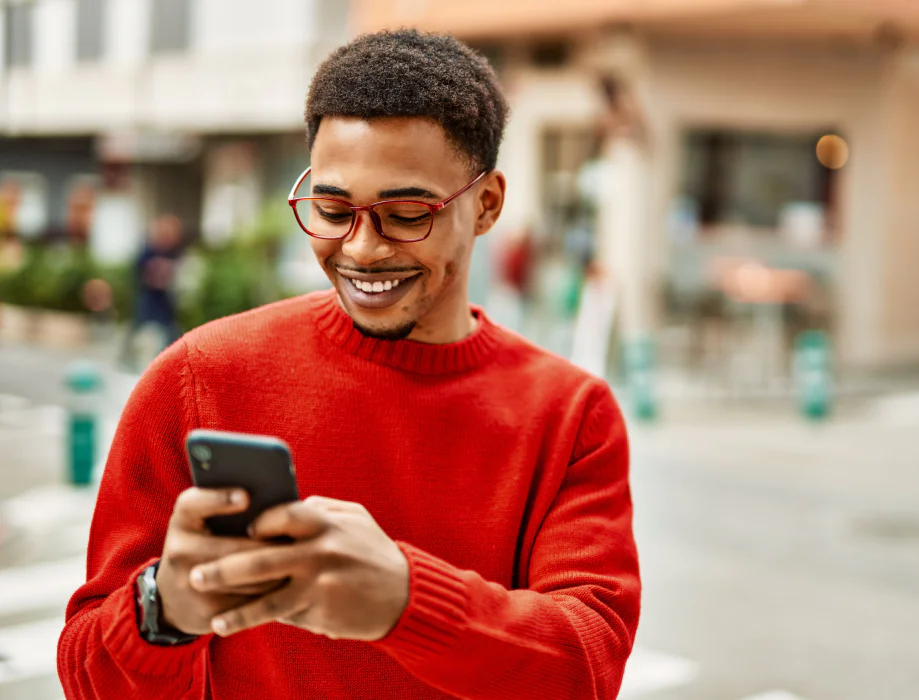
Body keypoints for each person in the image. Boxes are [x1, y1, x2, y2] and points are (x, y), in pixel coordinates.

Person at [59, 29, 640, 700]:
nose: (361, 249)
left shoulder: (570, 414)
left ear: (486, 205)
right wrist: (164, 611)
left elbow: (588, 667)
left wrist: (407, 602)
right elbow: (87, 673)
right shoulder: (199, 375)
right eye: (333, 209)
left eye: (404, 213)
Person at [120, 213, 184, 368]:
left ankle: (173, 362)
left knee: (170, 331)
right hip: (148, 300)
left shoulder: (174, 253)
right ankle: (127, 358)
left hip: (164, 303)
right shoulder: (148, 251)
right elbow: (141, 273)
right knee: (138, 326)